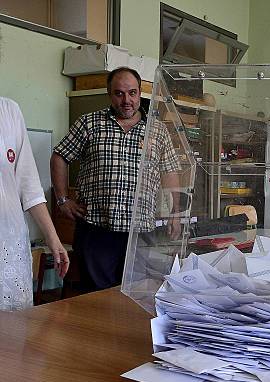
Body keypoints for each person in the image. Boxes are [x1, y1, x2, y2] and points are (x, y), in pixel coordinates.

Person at [51, 67, 181, 292]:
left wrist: (176, 213)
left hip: (140, 231)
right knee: (94, 298)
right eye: (119, 93)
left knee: (136, 295)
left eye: (132, 93)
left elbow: (170, 172)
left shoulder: (157, 131)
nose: (126, 100)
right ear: (109, 94)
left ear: (140, 93)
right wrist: (62, 200)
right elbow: (60, 156)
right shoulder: (89, 124)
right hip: (97, 229)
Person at [0, 97, 69, 311]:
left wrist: (53, 239)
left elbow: (28, 185)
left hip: (8, 245)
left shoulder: (8, 110)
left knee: (12, 330)